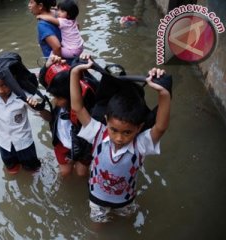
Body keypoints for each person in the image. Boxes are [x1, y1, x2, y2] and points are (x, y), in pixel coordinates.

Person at [70, 55, 171, 222]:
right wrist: (75, 72)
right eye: (114, 130)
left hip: (125, 200)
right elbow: (77, 107)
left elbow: (160, 126)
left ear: (139, 128)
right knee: (97, 226)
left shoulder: (141, 144)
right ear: (106, 120)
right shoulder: (97, 134)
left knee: (127, 220)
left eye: (127, 132)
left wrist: (164, 92)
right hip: (97, 199)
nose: (119, 138)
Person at [30, 54, 96, 177]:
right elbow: (46, 82)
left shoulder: (84, 110)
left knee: (82, 174)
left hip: (82, 148)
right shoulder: (60, 106)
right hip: (61, 144)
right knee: (65, 173)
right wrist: (48, 65)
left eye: (58, 98)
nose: (55, 101)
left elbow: (91, 137)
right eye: (54, 97)